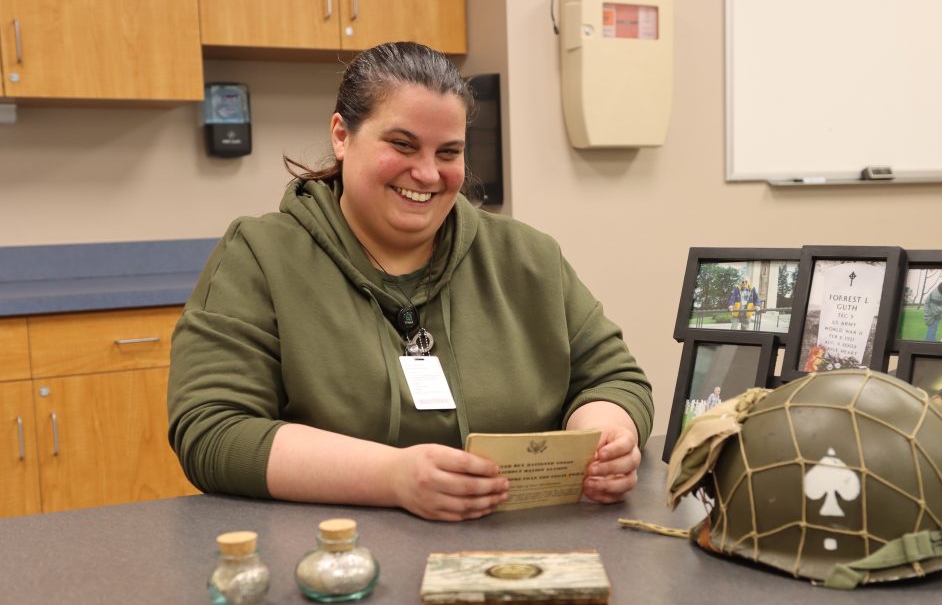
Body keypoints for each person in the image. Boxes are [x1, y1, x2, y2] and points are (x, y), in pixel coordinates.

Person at [167, 42, 653, 522]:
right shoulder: (259, 256)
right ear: (342, 135)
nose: (426, 173)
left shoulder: (528, 257)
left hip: (527, 551)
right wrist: (392, 476)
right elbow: (213, 429)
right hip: (338, 562)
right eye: (402, 145)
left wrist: (607, 439)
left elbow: (613, 377)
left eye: (449, 152)